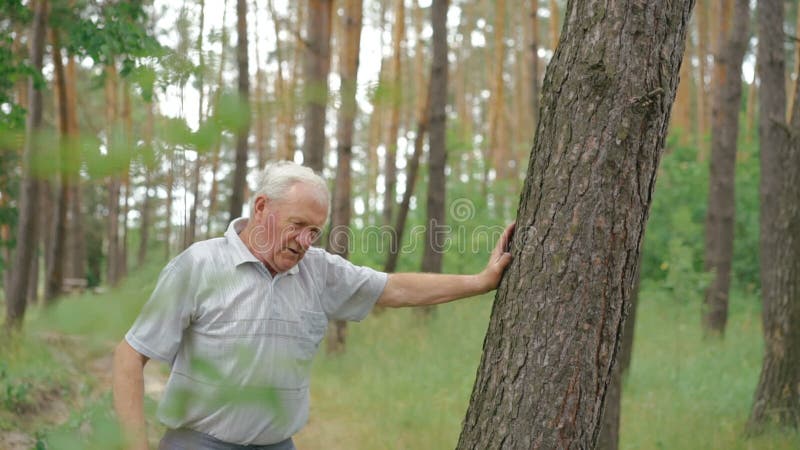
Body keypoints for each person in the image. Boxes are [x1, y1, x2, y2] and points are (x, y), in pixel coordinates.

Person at [112, 161, 514, 450]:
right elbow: (130, 355)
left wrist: (480, 282)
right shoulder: (198, 266)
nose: (306, 241)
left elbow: (394, 289)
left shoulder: (319, 271)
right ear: (261, 208)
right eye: (297, 225)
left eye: (315, 232)